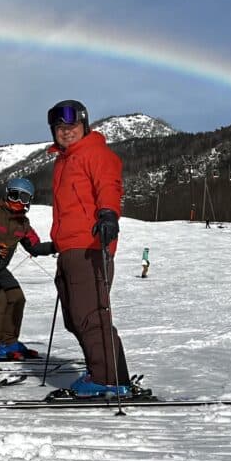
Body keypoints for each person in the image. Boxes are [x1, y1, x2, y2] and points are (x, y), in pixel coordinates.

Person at [46, 99, 133, 396]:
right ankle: (105, 371)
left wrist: (108, 213)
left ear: (85, 125)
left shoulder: (95, 153)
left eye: (71, 126)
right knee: (75, 317)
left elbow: (109, 186)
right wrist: (55, 242)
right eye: (59, 127)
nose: (66, 132)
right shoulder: (64, 161)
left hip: (91, 247)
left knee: (90, 314)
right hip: (70, 249)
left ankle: (108, 379)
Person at [0, 177, 56, 360]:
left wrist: (58, 246)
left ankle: (9, 341)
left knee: (17, 298)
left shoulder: (23, 224)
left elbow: (34, 247)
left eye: (24, 198)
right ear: (7, 194)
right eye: (15, 195)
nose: (18, 202)